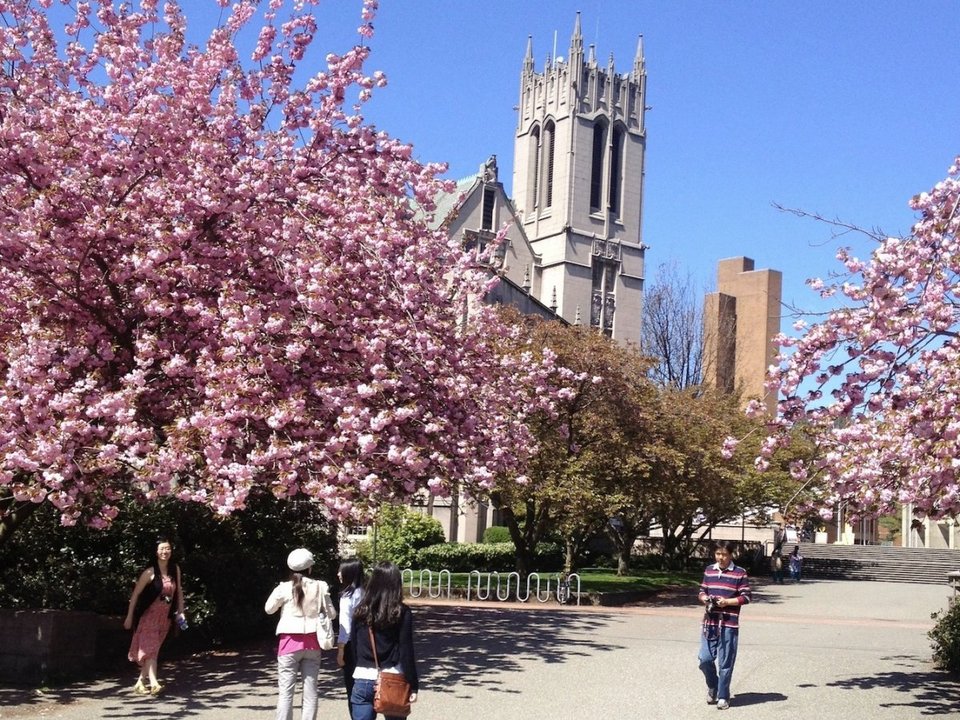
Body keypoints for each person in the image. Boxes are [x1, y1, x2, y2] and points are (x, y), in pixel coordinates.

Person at [265, 548, 337, 720]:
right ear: (309, 568)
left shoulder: (283, 588)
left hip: (289, 642)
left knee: (286, 692)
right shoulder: (320, 586)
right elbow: (332, 614)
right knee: (311, 690)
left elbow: (269, 609)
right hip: (313, 642)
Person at [347, 562, 419, 720]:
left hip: (363, 676)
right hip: (393, 676)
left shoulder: (360, 611)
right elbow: (406, 651)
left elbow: (354, 646)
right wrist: (413, 685)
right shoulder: (401, 612)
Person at [123, 537, 185, 696]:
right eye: (162, 549)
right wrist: (129, 616)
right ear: (156, 552)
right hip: (148, 616)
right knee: (150, 650)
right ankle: (154, 682)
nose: (165, 552)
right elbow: (135, 595)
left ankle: (139, 683)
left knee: (153, 651)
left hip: (164, 618)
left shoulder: (174, 569)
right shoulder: (149, 573)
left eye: (168, 548)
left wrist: (181, 611)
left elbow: (179, 592)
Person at [697, 540, 752, 710]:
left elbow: (747, 597)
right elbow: (702, 591)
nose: (721, 558)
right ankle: (713, 685)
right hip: (710, 622)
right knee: (704, 659)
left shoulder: (739, 573)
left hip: (729, 623)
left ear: (731, 555)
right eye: (718, 554)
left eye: (724, 554)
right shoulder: (709, 570)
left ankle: (723, 696)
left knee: (725, 662)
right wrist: (705, 599)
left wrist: (727, 601)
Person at [336, 559, 365, 718]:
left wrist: (340, 650)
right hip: (367, 643)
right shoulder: (367, 593)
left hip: (351, 645)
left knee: (352, 686)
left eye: (341, 570)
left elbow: (344, 625)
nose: (338, 574)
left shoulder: (347, 596)